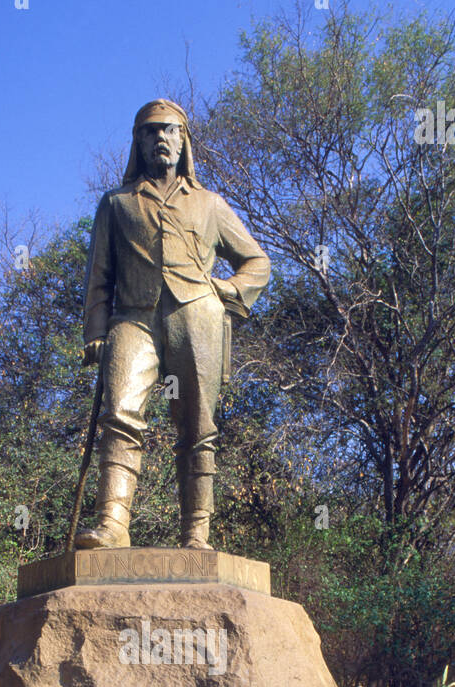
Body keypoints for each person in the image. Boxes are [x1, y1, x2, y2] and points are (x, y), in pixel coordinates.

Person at [77, 98, 270, 550]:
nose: (160, 138)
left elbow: (257, 261)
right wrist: (95, 331)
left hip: (197, 317)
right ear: (138, 141)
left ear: (184, 140)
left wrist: (228, 290)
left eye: (169, 130)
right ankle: (112, 525)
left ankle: (196, 536)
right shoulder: (116, 204)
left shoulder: (209, 204)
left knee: (198, 426)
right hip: (134, 320)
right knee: (120, 414)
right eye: (151, 131)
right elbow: (98, 277)